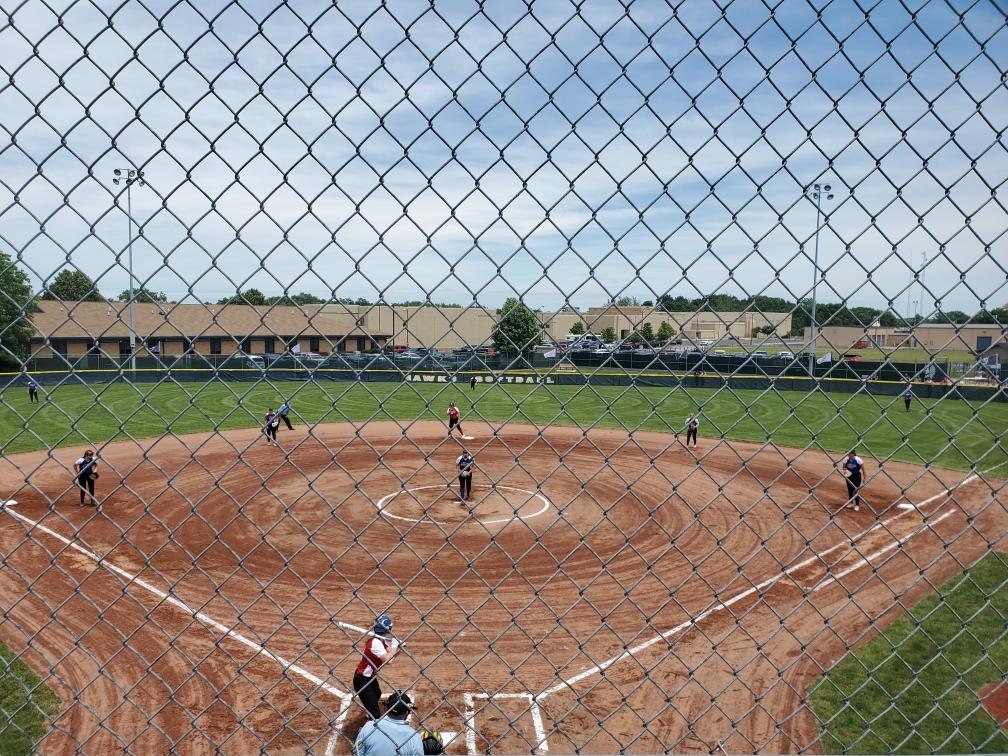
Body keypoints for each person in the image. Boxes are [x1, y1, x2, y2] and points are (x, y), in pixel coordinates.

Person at [354, 691, 429, 756]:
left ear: (387, 708)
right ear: (407, 712)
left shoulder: (369, 727)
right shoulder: (414, 737)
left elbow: (357, 753)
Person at [353, 614, 399, 720]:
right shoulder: (375, 643)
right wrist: (395, 647)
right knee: (375, 715)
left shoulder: (380, 640)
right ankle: (370, 726)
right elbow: (389, 660)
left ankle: (370, 711)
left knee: (377, 695)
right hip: (362, 680)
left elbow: (391, 654)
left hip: (369, 677)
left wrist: (397, 648)